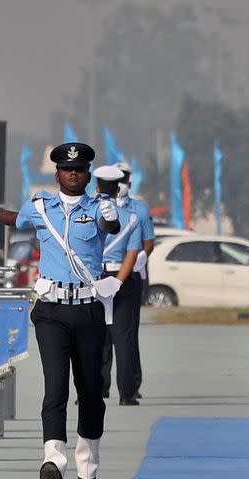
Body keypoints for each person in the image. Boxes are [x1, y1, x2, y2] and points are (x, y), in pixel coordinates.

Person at [0, 142, 122, 479]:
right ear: (57, 174)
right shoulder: (41, 206)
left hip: (88, 309)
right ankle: (53, 460)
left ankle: (87, 467)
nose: (73, 174)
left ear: (88, 175)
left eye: (79, 169)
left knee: (90, 391)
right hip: (52, 311)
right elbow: (20, 219)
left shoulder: (99, 207)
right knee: (55, 386)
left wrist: (110, 212)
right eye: (66, 169)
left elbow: (112, 226)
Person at [94, 165, 143, 406]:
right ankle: (126, 394)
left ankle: (92, 391)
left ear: (96, 187)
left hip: (92, 278)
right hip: (118, 277)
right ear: (117, 188)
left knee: (93, 338)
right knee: (123, 338)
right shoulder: (131, 217)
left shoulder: (87, 210)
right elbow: (132, 254)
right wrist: (118, 282)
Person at [105, 161, 154, 400]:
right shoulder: (125, 215)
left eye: (125, 179)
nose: (122, 184)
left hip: (125, 274)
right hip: (116, 275)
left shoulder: (138, 209)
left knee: (125, 335)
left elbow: (145, 246)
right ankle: (104, 387)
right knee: (105, 336)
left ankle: (128, 387)